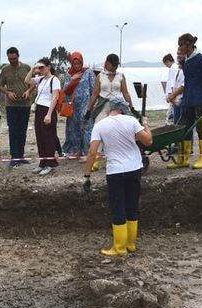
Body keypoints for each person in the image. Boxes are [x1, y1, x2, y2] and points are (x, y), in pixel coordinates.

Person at [83, 97, 152, 256]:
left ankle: (119, 247)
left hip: (115, 171)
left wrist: (87, 175)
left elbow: (92, 152)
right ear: (123, 109)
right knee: (132, 206)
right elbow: (148, 141)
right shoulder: (131, 121)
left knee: (118, 208)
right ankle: (131, 244)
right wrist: (146, 124)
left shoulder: (100, 125)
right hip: (135, 168)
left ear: (109, 109)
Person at [168, 33, 202, 170]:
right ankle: (183, 159)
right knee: (184, 129)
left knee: (201, 129)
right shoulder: (186, 61)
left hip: (200, 100)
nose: (179, 48)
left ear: (188, 45)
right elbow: (187, 83)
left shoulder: (201, 59)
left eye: (181, 45)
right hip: (187, 100)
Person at [86, 54, 135, 171]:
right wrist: (89, 109)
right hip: (103, 105)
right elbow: (94, 94)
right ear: (107, 63)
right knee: (98, 128)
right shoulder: (100, 77)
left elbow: (126, 93)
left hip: (117, 106)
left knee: (118, 130)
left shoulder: (121, 76)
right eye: (113, 65)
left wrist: (131, 107)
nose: (115, 68)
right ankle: (96, 161)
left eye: (117, 65)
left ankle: (118, 157)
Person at [24, 58, 61, 176]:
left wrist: (49, 114)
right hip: (39, 109)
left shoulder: (54, 80)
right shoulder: (40, 79)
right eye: (39, 68)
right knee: (40, 136)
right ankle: (43, 162)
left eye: (42, 67)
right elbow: (27, 80)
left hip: (47, 109)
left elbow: (55, 97)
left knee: (48, 137)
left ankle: (50, 163)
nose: (40, 70)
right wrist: (32, 69)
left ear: (48, 67)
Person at [0, 47, 33, 168]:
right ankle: (14, 157)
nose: (12, 60)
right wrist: (8, 93)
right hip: (11, 106)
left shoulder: (27, 68)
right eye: (10, 58)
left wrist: (29, 91)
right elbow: (0, 86)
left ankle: (21, 156)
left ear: (18, 56)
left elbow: (34, 84)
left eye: (14, 58)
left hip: (25, 105)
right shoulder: (5, 70)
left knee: (22, 131)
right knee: (13, 131)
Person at [62, 51, 95, 158]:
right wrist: (73, 80)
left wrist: (92, 105)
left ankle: (87, 151)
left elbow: (93, 89)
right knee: (74, 128)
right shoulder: (68, 75)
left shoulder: (88, 73)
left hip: (86, 104)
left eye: (78, 63)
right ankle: (76, 150)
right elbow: (65, 91)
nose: (76, 66)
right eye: (74, 63)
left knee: (86, 127)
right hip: (73, 106)